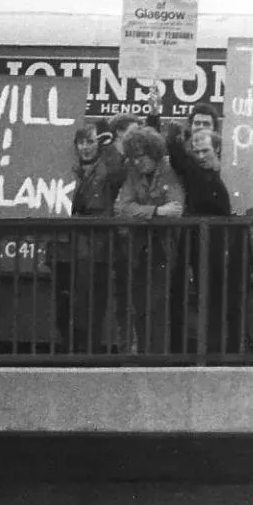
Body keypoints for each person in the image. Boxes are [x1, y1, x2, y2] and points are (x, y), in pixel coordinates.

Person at [164, 122, 250, 354]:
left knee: (221, 304)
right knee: (204, 302)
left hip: (225, 252)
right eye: (197, 151)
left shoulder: (224, 176)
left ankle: (221, 353)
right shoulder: (197, 174)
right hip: (201, 249)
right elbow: (177, 156)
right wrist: (155, 116)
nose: (200, 156)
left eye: (205, 151)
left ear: (218, 150)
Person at [113, 127, 185, 353]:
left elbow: (176, 209)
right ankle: (145, 355)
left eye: (141, 157)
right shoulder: (133, 173)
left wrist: (143, 211)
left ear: (154, 154)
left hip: (164, 248)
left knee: (158, 306)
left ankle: (157, 358)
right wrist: (156, 211)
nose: (136, 162)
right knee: (140, 305)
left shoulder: (169, 170)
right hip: (137, 249)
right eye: (133, 157)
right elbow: (122, 208)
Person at [58, 118, 126, 353]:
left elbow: (117, 168)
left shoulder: (106, 167)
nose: (85, 147)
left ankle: (85, 355)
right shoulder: (67, 168)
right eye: (81, 142)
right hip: (66, 247)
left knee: (90, 306)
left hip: (95, 248)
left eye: (90, 141)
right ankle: (73, 352)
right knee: (65, 305)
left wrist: (106, 143)